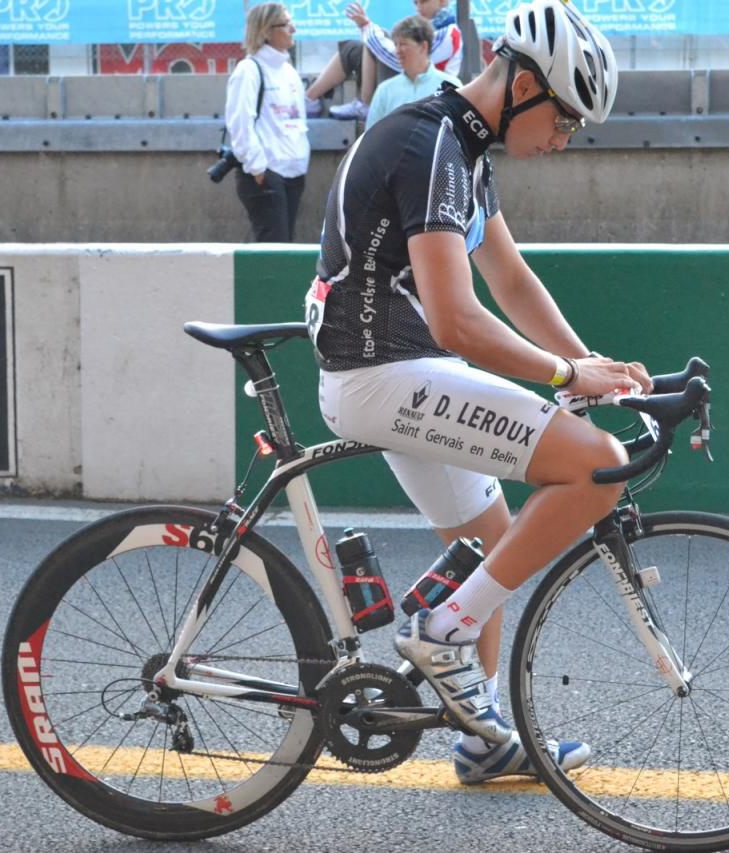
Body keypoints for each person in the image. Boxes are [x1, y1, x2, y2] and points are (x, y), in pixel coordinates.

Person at [305, 0, 639, 783]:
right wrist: (565, 376)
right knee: (597, 466)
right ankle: (443, 630)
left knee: (494, 542)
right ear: (522, 86)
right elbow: (458, 320)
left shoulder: (462, 148)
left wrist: (590, 364)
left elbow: (511, 281)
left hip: (393, 366)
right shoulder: (432, 148)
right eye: (565, 118)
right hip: (381, 371)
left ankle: (484, 738)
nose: (564, 139)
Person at [225, 3, 309, 242]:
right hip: (266, 174)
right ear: (266, 31)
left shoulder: (289, 71)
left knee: (285, 247)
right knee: (274, 248)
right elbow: (240, 123)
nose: (293, 29)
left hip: (293, 172)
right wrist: (258, 169)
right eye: (286, 24)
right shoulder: (249, 70)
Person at [306, 0, 463, 121]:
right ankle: (309, 98)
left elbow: (402, 60)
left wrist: (367, 28)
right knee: (353, 47)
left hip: (428, 98)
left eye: (424, 1)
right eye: (415, 3)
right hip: (406, 88)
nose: (419, 7)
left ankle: (365, 103)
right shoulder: (387, 89)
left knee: (374, 37)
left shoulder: (449, 33)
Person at [364, 16, 460, 129]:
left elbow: (462, 132)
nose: (397, 51)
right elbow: (370, 134)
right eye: (396, 45)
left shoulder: (450, 86)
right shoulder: (384, 90)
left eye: (403, 44)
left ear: (423, 46)